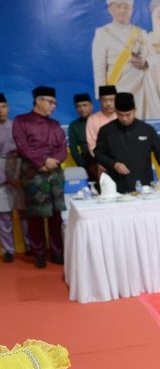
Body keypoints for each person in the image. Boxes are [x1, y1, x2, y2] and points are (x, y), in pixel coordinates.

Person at [12, 87, 67, 268]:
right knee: (35, 214)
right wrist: (41, 161)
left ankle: (58, 252)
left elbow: (62, 148)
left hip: (54, 171)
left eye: (55, 103)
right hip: (32, 171)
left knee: (56, 214)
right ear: (38, 100)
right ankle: (39, 253)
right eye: (50, 103)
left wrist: (54, 161)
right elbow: (22, 146)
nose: (53, 107)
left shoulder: (55, 125)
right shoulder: (21, 121)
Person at [91, 0, 160, 119]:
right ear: (110, 9)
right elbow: (99, 70)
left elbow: (155, 57)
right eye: (119, 6)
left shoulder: (141, 33)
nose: (123, 10)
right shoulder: (103, 33)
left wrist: (145, 62)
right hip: (117, 91)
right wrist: (103, 98)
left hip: (141, 93)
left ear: (132, 10)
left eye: (126, 7)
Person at [93, 92, 160, 193]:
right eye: (120, 115)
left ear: (135, 110)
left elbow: (159, 150)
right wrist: (114, 164)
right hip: (117, 186)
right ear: (116, 112)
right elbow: (98, 154)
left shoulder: (146, 130)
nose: (124, 118)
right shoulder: (106, 131)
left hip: (144, 186)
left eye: (128, 114)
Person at [0, 94, 27, 264]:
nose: (0, 110)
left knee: (25, 213)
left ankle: (30, 246)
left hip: (21, 169)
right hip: (1, 176)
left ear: (8, 108)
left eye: (3, 106)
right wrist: (7, 177)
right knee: (4, 216)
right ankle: (8, 249)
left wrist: (19, 175)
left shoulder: (17, 126)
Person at [85, 86, 118, 168]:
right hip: (103, 165)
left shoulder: (122, 117)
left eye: (111, 99)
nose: (108, 103)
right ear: (100, 101)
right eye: (104, 100)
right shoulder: (93, 120)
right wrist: (103, 162)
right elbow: (92, 144)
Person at [67, 93, 94, 170]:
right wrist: (84, 166)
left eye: (85, 105)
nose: (82, 109)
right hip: (86, 160)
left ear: (91, 106)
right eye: (78, 106)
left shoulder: (99, 121)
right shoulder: (74, 126)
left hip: (104, 159)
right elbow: (73, 148)